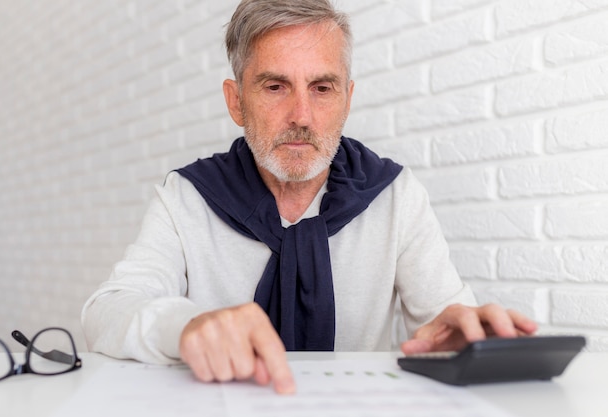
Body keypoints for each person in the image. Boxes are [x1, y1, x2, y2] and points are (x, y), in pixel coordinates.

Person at [81, 0, 537, 394]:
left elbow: (442, 316)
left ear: (347, 99)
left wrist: (461, 334)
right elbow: (106, 310)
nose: (301, 115)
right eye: (275, 86)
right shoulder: (186, 197)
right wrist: (186, 326)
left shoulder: (395, 195)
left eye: (322, 88)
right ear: (236, 101)